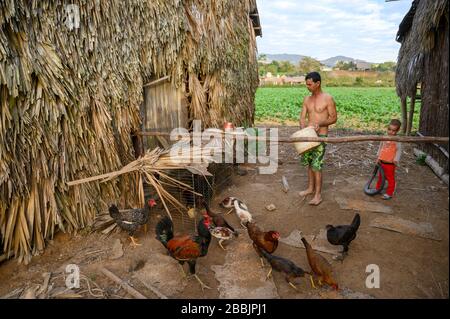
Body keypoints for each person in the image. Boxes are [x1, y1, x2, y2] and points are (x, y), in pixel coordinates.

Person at [298, 72, 337, 206]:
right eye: (306, 84)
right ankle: (310, 188)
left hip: (321, 136)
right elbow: (302, 117)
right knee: (309, 163)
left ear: (317, 83)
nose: (307, 87)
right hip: (308, 135)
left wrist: (319, 124)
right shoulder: (306, 99)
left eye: (309, 84)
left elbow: (333, 118)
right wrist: (304, 129)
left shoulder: (328, 98)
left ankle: (318, 195)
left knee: (316, 165)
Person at [376, 119, 402, 200]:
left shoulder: (397, 140)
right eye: (389, 129)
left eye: (393, 130)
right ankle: (378, 189)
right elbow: (381, 147)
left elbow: (399, 150)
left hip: (390, 163)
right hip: (382, 161)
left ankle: (389, 193)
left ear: (397, 131)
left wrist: (396, 159)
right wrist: (378, 157)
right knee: (380, 176)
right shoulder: (384, 137)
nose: (391, 132)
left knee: (390, 178)